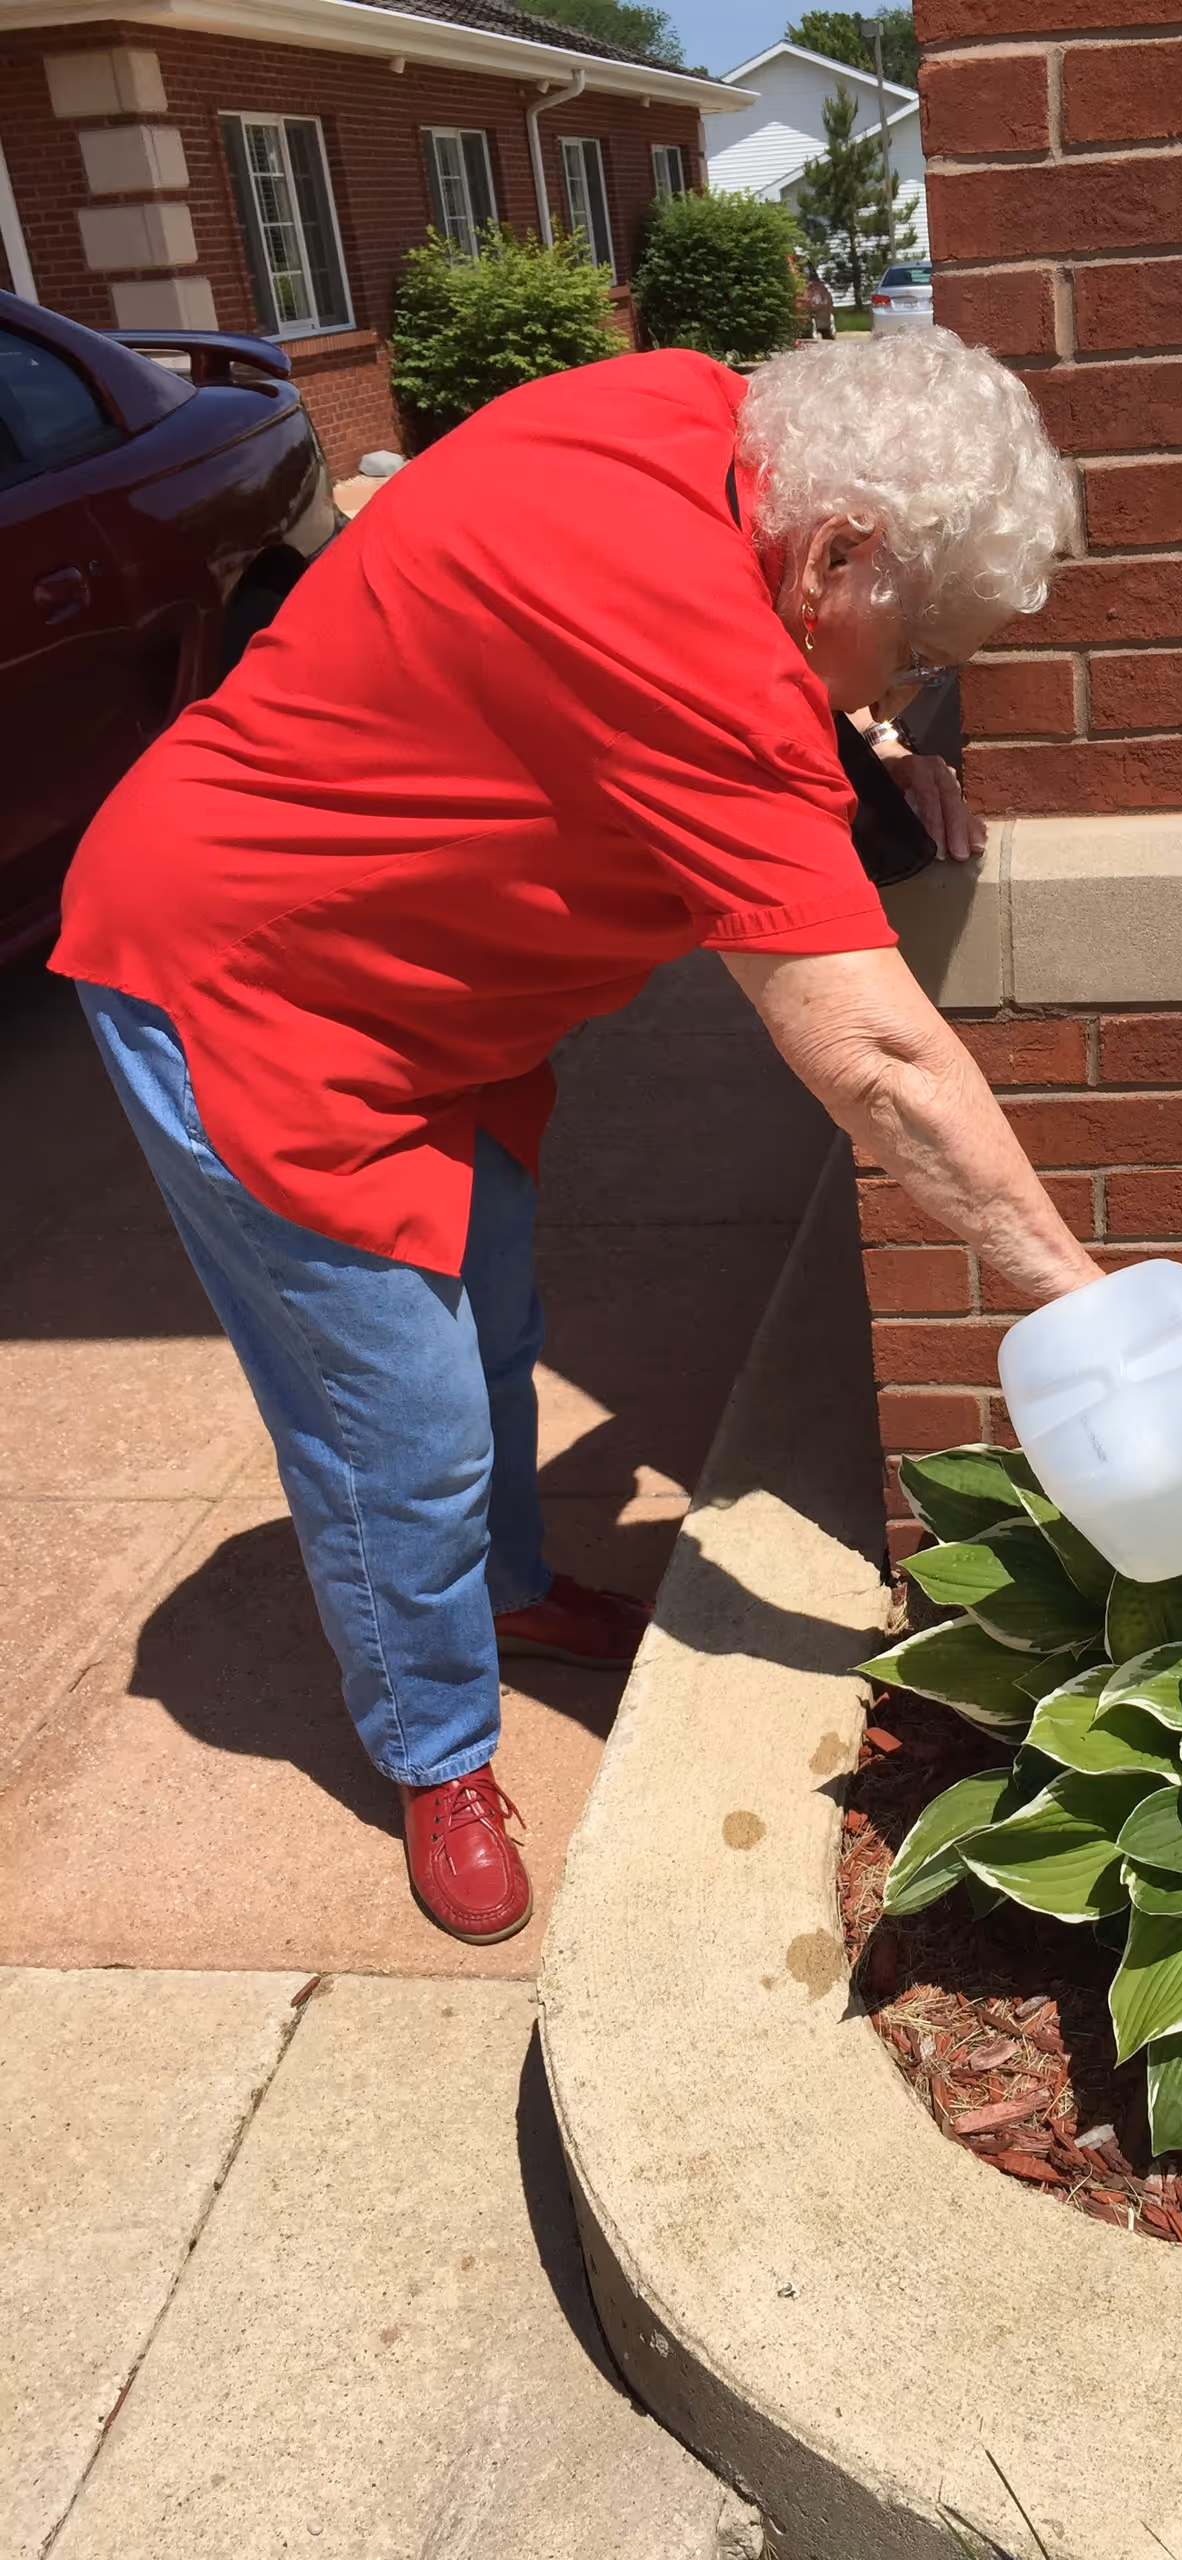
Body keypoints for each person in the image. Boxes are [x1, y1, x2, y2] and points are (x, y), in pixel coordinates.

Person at [49, 327, 1100, 1946]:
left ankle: (506, 1586)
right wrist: (1079, 1303)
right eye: (908, 646)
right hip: (243, 987)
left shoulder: (696, 407)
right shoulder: (708, 663)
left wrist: (871, 758)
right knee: (395, 1424)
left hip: (426, 1004)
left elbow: (691, 655)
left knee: (496, 1324)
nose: (889, 693)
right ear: (834, 547)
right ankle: (435, 1748)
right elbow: (880, 1059)